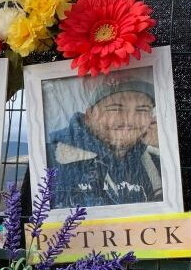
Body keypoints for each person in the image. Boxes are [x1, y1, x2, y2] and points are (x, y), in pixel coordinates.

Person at [47, 79, 162, 208]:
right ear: (90, 115)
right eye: (115, 109)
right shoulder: (49, 160)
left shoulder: (157, 165)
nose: (129, 120)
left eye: (142, 110)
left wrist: (168, 148)